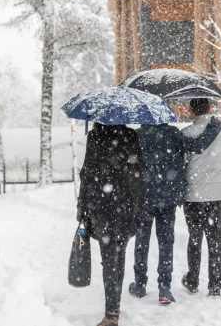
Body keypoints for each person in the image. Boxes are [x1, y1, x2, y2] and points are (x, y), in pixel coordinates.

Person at [129, 122, 221, 305]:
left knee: (141, 241)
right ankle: (164, 287)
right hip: (167, 197)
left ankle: (139, 284)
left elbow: (129, 164)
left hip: (143, 197)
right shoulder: (172, 133)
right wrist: (213, 127)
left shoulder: (137, 136)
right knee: (166, 243)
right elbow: (198, 145)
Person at [77, 123, 146, 326]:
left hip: (102, 207)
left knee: (108, 259)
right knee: (119, 255)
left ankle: (111, 313)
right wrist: (138, 206)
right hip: (125, 207)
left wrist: (82, 208)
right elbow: (139, 173)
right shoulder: (131, 135)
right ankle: (114, 307)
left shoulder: (95, 136)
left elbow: (87, 175)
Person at [181, 98, 221, 299]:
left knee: (195, 239)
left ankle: (193, 280)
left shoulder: (186, 133)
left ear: (191, 110)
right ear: (210, 109)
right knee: (215, 241)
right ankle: (215, 286)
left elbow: (182, 161)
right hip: (217, 195)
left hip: (194, 195)